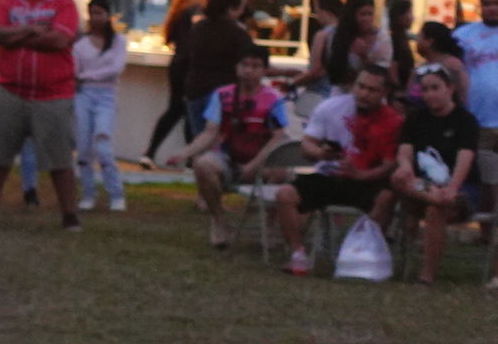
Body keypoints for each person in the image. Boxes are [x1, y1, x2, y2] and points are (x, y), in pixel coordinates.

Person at [0, 0, 82, 229]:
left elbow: (59, 39)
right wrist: (32, 30)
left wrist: (16, 35)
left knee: (59, 158)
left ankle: (69, 214)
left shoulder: (64, 3)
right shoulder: (8, 2)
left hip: (53, 93)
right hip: (11, 90)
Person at [271, 64, 402, 275]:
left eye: (371, 90)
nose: (363, 94)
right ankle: (298, 255)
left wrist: (360, 175)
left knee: (386, 197)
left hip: (370, 180)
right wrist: (322, 154)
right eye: (360, 86)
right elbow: (307, 144)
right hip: (330, 174)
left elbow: (389, 166)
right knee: (285, 194)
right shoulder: (331, 107)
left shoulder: (393, 120)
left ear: (384, 92)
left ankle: (362, 256)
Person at [166, 46, 292, 247]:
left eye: (255, 66)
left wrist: (253, 165)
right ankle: (219, 219)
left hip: (261, 161)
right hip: (228, 158)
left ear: (265, 70)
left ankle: (269, 225)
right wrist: (185, 153)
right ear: (236, 67)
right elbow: (210, 132)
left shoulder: (273, 98)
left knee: (281, 169)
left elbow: (277, 137)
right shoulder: (222, 95)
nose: (249, 70)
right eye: (244, 65)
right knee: (202, 164)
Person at [387, 63, 477, 284]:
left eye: (435, 88)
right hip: (421, 187)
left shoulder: (465, 121)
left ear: (450, 89)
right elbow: (404, 152)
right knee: (399, 178)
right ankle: (434, 196)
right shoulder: (416, 119)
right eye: (425, 89)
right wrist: (406, 167)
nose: (429, 94)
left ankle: (427, 276)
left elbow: (465, 158)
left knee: (436, 208)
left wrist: (452, 188)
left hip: (459, 192)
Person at [139, 0, 210, 168]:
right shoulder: (198, 7)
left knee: (176, 110)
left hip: (177, 63)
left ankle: (151, 152)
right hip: (190, 65)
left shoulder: (181, 6)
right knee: (190, 111)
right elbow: (197, 35)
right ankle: (190, 161)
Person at [72, 0, 129, 213]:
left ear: (108, 16)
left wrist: (87, 76)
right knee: (84, 147)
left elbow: (116, 68)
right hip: (84, 96)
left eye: (100, 13)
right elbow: (75, 72)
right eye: (93, 13)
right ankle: (88, 193)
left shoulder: (118, 41)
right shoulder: (80, 45)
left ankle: (116, 193)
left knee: (102, 144)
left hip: (106, 96)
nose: (97, 18)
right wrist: (86, 78)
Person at [182, 0, 255, 138]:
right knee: (218, 139)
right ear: (231, 9)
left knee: (199, 137)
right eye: (241, 8)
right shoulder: (238, 33)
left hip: (195, 87)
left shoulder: (198, 28)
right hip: (223, 90)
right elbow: (251, 60)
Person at [292, 0, 392, 94]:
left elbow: (382, 73)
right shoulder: (334, 35)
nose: (367, 19)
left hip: (369, 95)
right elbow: (329, 69)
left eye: (370, 14)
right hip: (340, 91)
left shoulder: (381, 37)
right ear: (352, 14)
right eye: (362, 14)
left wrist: (364, 56)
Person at [453, 0, 498, 215]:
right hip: (477, 119)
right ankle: (484, 231)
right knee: (484, 177)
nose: (492, 9)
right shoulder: (463, 36)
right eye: (487, 4)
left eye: (496, 3)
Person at [410, 21, 469, 106]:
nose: (417, 42)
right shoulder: (420, 68)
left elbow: (463, 96)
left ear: (430, 41)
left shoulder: (453, 65)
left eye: (420, 37)